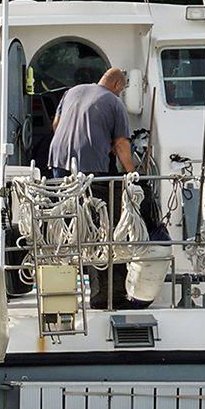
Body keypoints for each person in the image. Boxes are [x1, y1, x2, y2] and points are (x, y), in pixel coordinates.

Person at [48, 68, 137, 310]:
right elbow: (121, 144)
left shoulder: (72, 92)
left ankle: (62, 291)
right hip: (92, 171)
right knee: (102, 227)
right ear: (118, 85)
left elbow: (57, 125)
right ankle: (104, 294)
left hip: (59, 164)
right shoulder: (114, 103)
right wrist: (133, 174)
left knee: (68, 225)